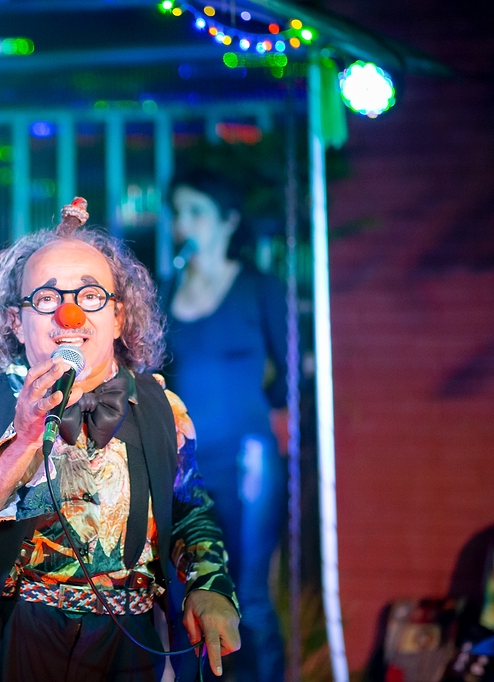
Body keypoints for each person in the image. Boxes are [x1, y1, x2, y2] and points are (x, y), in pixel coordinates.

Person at [0, 198, 240, 682]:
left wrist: (209, 584)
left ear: (119, 316)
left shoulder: (162, 407)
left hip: (129, 646)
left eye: (90, 296)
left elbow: (190, 510)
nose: (70, 316)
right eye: (46, 299)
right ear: (15, 321)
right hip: (10, 640)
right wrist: (21, 442)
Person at [163, 168, 291, 682]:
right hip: (186, 466)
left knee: (248, 592)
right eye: (178, 213)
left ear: (228, 220)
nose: (185, 224)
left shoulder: (258, 287)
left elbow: (291, 372)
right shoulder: (168, 289)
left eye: (197, 211)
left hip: (246, 461)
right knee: (185, 590)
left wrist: (260, 413)